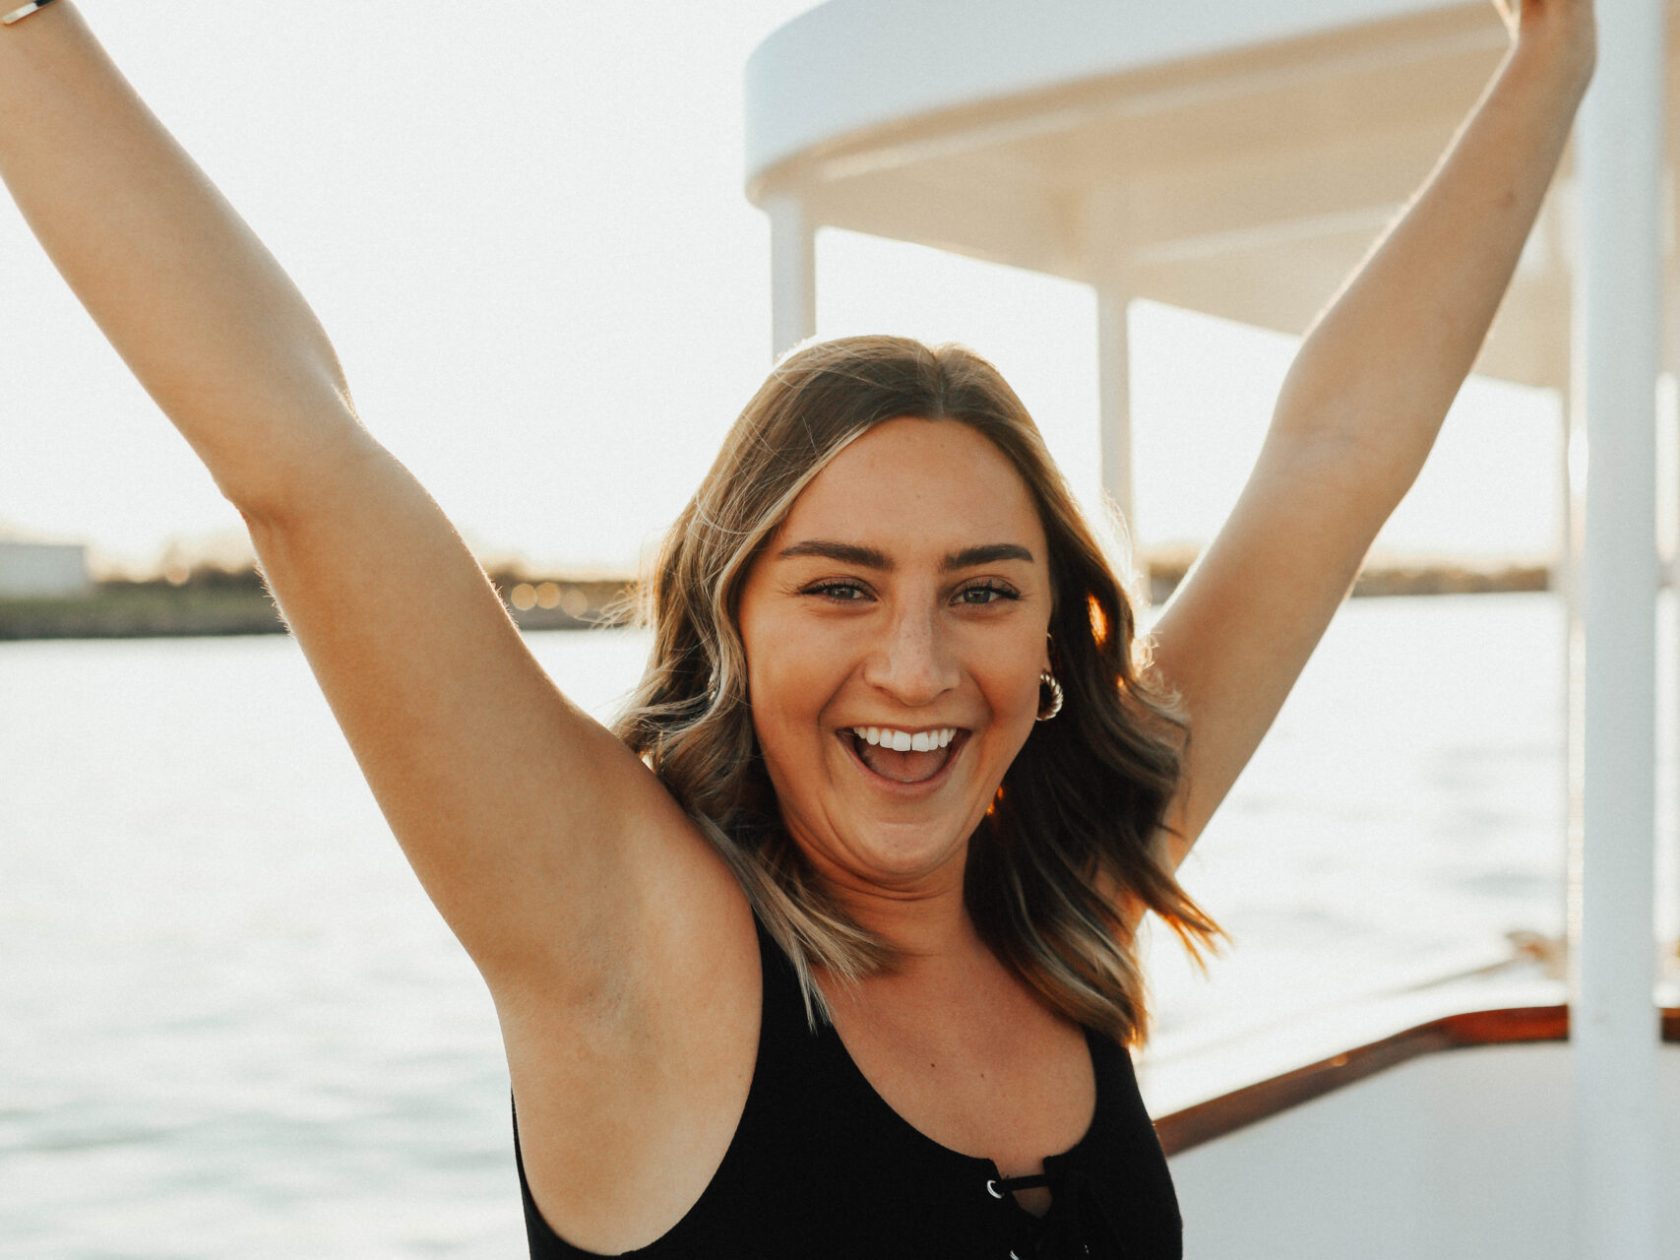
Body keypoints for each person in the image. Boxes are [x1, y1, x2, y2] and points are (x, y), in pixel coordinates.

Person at [0, 1, 1596, 1255]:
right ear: (732, 623)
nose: (916, 665)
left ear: (1051, 639)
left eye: (982, 587)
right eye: (839, 586)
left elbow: (1327, 464)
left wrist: (1552, 55)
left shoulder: (1066, 890)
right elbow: (303, 462)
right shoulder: (639, 949)